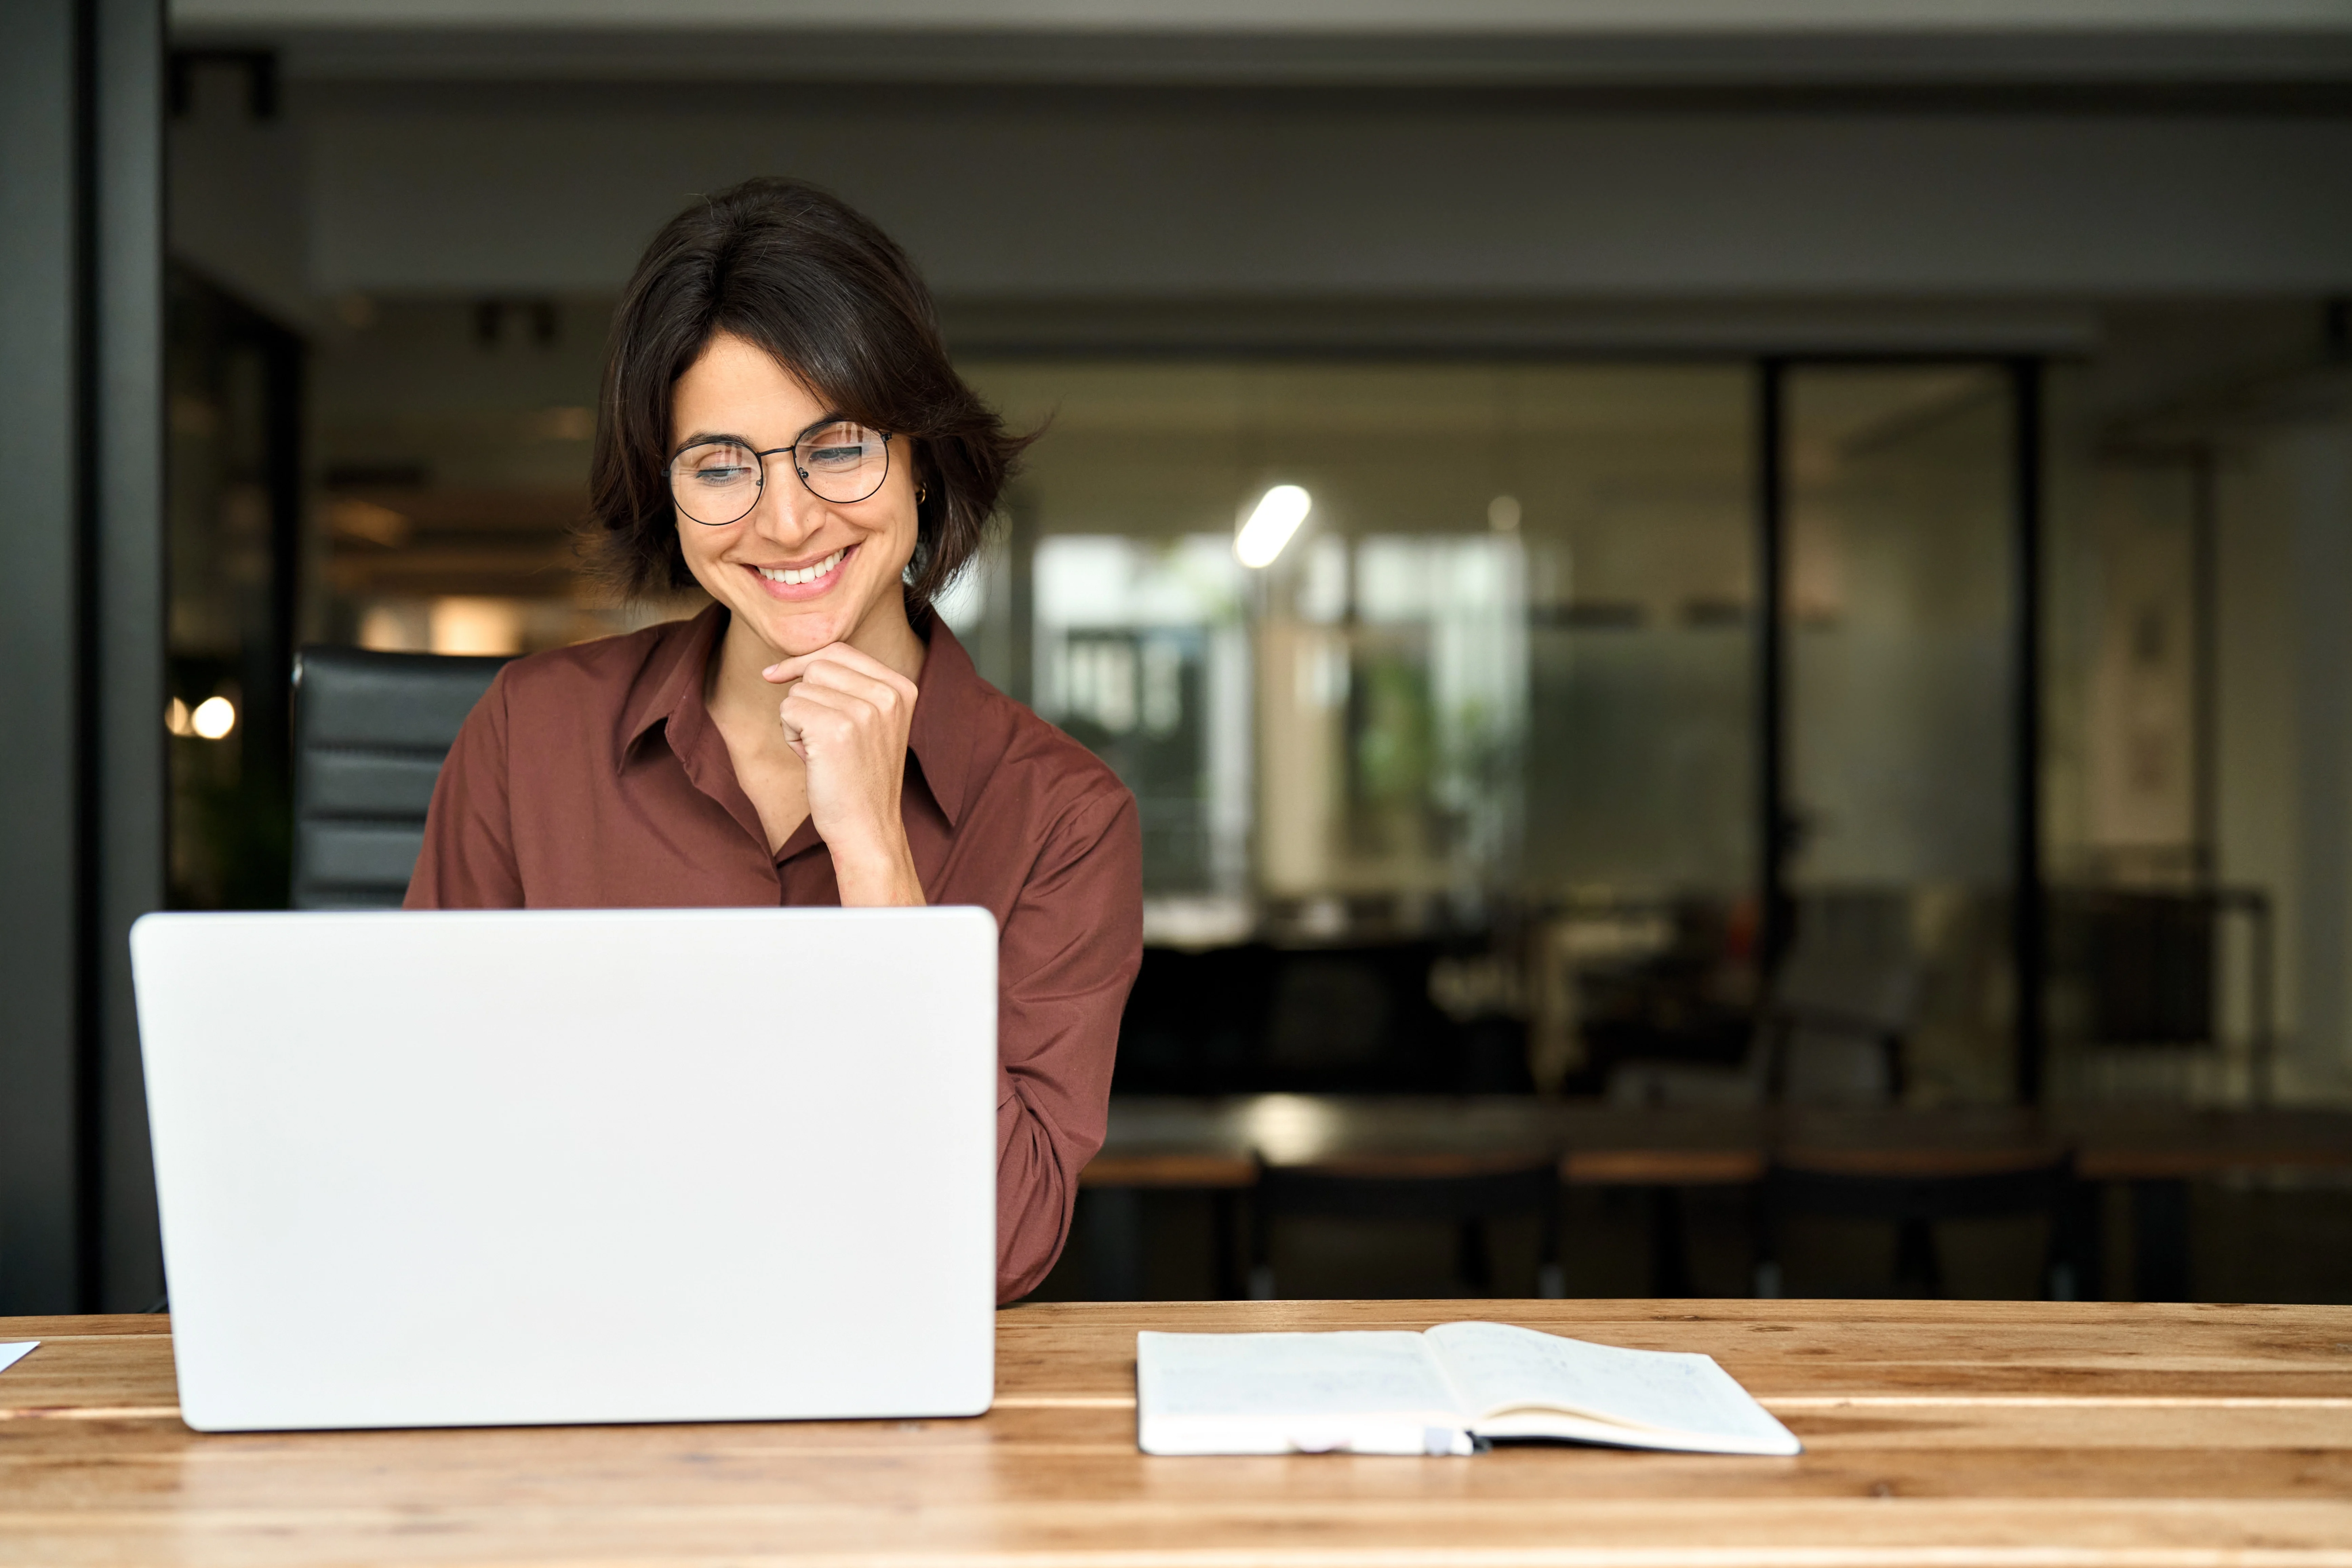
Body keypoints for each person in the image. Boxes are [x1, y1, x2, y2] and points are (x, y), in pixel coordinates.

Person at [406, 177, 1142, 1303]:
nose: (788, 520)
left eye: (836, 448)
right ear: (668, 493)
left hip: (902, 1427)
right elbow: (423, 1148)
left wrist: (877, 863)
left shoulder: (1062, 816)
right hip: (581, 1385)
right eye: (719, 466)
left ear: (921, 457)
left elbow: (998, 1247)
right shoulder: (528, 740)